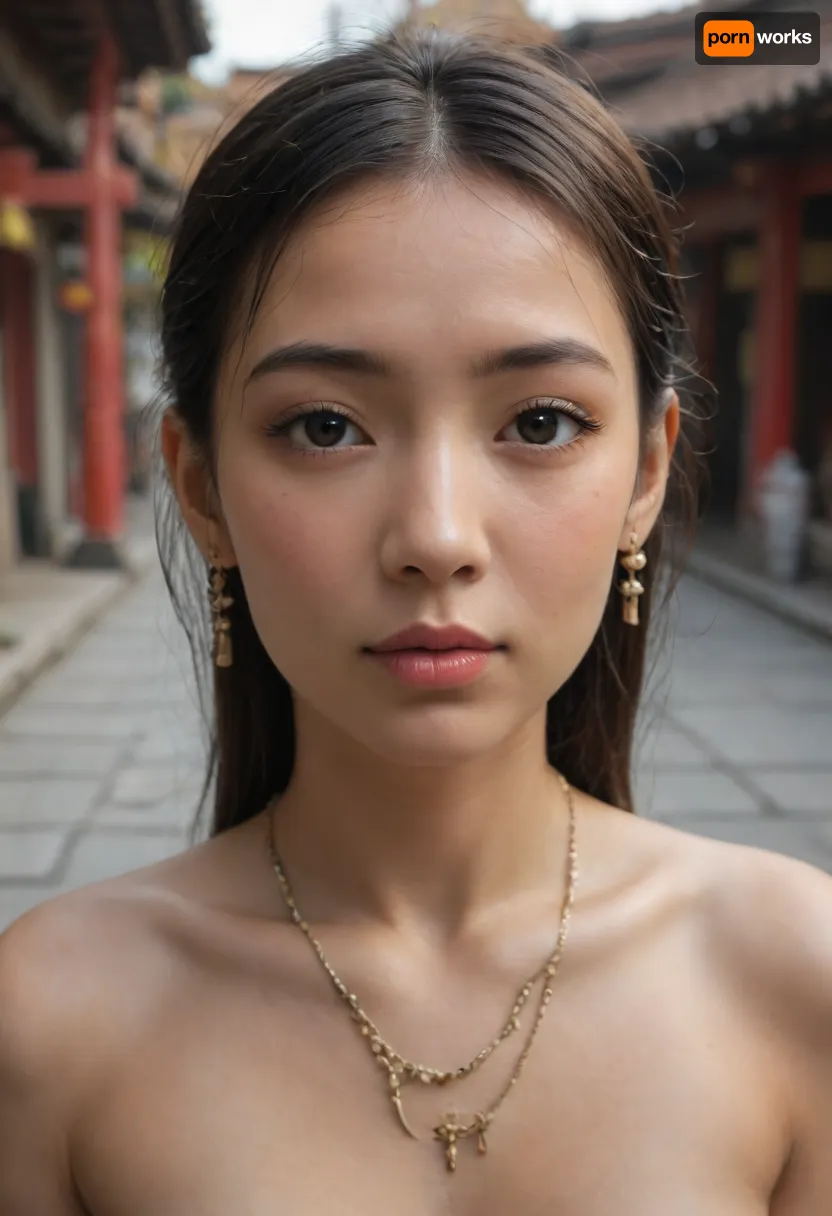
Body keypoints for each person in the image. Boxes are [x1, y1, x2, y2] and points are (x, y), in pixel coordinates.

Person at [1, 29, 830, 1214]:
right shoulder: (48, 1023)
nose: (436, 535)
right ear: (199, 487)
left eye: (539, 422)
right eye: (325, 425)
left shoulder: (795, 977)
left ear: (646, 470)